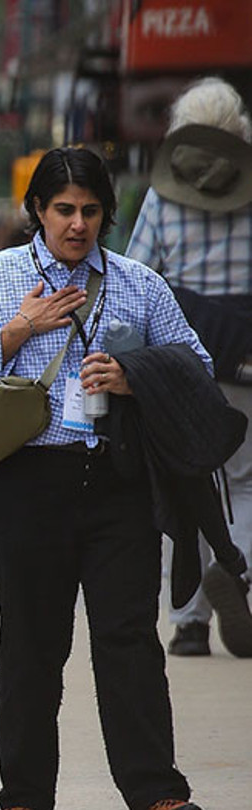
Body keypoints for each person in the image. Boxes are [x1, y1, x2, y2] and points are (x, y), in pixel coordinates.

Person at [0, 146, 211, 810]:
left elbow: (196, 365)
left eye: (91, 211)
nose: (78, 224)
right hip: (26, 482)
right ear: (37, 210)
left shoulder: (137, 283)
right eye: (64, 209)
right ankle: (22, 802)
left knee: (127, 639)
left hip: (115, 480)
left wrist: (132, 376)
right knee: (31, 644)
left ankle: (158, 796)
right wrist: (19, 330)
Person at [126, 77, 252, 659]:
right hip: (245, 353)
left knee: (180, 483)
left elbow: (136, 276)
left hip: (176, 358)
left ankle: (189, 622)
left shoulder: (163, 195)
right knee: (246, 481)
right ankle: (239, 575)